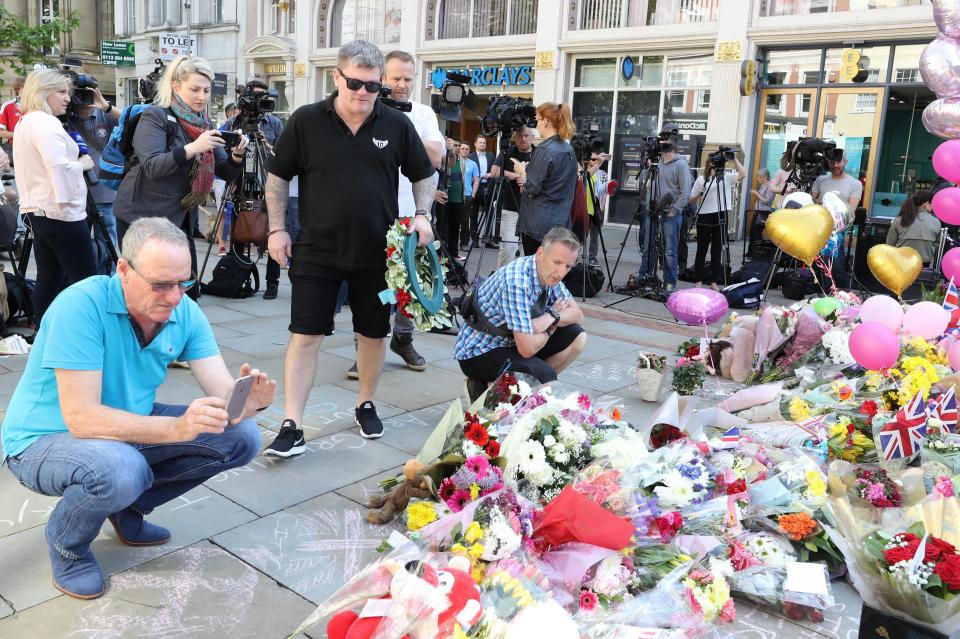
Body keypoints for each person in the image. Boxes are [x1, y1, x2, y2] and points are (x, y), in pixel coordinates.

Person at [1, 217, 273, 599]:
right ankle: (68, 545)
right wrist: (177, 429)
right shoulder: (80, 305)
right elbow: (82, 417)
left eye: (184, 282)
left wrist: (250, 403)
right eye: (161, 284)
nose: (175, 297)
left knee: (242, 437)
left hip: (124, 430)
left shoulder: (183, 310)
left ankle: (127, 507)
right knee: (119, 468)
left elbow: (225, 396)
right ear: (124, 270)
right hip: (41, 439)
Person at [263, 40, 436, 454]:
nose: (364, 92)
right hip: (317, 251)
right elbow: (278, 177)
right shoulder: (306, 121)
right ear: (337, 77)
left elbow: (424, 174)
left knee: (373, 335)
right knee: (305, 336)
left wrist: (424, 214)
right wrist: (276, 229)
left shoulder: (395, 125)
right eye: (355, 83)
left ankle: (366, 403)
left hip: (378, 255)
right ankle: (292, 424)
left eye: (374, 86)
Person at [342, 49, 444, 376]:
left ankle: (403, 338)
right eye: (396, 78)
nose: (402, 85)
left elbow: (436, 157)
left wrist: (399, 126)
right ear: (382, 78)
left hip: (413, 214)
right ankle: (366, 348)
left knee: (411, 286)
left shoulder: (423, 112)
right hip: (372, 215)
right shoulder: (366, 107)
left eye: (408, 79)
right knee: (373, 288)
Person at [113, 55, 247, 301]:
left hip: (178, 216)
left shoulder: (204, 123)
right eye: (194, 89)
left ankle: (176, 337)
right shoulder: (156, 116)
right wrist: (194, 147)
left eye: (206, 90)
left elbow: (224, 171)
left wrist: (237, 156)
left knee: (188, 290)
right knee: (147, 290)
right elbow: (152, 165)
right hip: (142, 214)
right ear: (176, 87)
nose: (202, 96)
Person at [455, 226, 587, 402]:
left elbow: (577, 314)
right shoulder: (517, 282)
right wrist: (550, 329)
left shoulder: (547, 273)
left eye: (568, 266)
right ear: (540, 253)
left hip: (512, 342)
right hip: (480, 352)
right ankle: (492, 390)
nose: (561, 273)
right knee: (545, 377)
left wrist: (550, 317)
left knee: (578, 337)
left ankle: (510, 392)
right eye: (557, 262)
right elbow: (527, 349)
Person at [12, 68, 99, 322]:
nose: (68, 98)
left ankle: (45, 334)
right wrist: (82, 165)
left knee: (49, 277)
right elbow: (58, 169)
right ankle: (84, 335)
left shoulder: (26, 121)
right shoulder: (46, 123)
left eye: (68, 92)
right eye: (61, 92)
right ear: (42, 92)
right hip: (59, 212)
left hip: (40, 210)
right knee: (88, 281)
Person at [223, 79, 290, 300]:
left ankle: (272, 283)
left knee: (272, 232)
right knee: (238, 233)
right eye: (256, 96)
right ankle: (236, 276)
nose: (261, 101)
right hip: (239, 183)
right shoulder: (234, 122)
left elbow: (282, 157)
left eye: (264, 96)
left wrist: (265, 145)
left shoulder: (274, 124)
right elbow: (221, 148)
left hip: (266, 185)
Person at [513, 102, 577, 256]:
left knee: (537, 271)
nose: (537, 125)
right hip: (560, 223)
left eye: (537, 120)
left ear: (546, 121)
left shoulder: (545, 149)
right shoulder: (567, 148)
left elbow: (532, 187)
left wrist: (522, 171)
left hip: (538, 226)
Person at [66, 86, 121, 252]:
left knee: (108, 243)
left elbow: (133, 120)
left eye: (88, 93)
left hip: (105, 193)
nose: (85, 98)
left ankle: (106, 275)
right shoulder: (65, 117)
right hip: (75, 194)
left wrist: (106, 106)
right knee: (78, 245)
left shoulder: (104, 114)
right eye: (79, 93)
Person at [638, 126, 691, 292]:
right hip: (651, 210)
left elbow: (686, 191)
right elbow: (647, 184)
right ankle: (644, 276)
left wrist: (674, 210)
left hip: (671, 214)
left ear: (672, 145)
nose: (661, 146)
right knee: (647, 246)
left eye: (664, 144)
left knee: (669, 250)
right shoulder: (657, 163)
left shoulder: (681, 165)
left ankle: (669, 282)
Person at [689, 156, 746, 290]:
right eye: (715, 165)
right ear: (710, 165)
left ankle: (713, 282)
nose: (719, 167)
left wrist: (734, 159)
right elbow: (690, 200)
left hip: (721, 215)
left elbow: (743, 174)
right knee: (701, 250)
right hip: (704, 216)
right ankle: (698, 281)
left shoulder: (726, 177)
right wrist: (699, 194)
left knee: (716, 250)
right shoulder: (701, 179)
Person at [492, 127, 534, 267]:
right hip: (510, 207)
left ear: (532, 137)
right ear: (515, 137)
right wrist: (515, 175)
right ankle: (501, 281)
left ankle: (524, 283)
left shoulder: (539, 154)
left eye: (527, 135)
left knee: (529, 251)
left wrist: (526, 178)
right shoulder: (507, 151)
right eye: (520, 136)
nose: (523, 139)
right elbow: (494, 172)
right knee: (509, 248)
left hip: (532, 209)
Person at [887, 190, 940, 265]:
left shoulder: (899, 220)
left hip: (900, 263)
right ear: (926, 203)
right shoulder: (936, 222)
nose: (933, 206)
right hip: (925, 265)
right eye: (932, 203)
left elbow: (890, 244)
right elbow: (936, 245)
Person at [469, 134, 497, 247]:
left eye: (484, 143)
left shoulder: (491, 156)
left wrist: (490, 175)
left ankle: (488, 239)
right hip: (475, 188)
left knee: (489, 214)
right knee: (474, 214)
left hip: (488, 187)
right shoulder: (471, 157)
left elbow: (495, 170)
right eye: (480, 142)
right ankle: (474, 239)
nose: (482, 144)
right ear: (475, 144)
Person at [586, 151, 610, 265]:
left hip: (596, 208)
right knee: (580, 235)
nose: (595, 161)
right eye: (593, 159)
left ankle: (592, 256)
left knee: (594, 235)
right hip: (585, 208)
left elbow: (605, 191)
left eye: (597, 159)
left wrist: (602, 206)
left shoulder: (603, 174)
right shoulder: (585, 172)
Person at [456, 142, 481, 252]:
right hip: (455, 194)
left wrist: (473, 194)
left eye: (467, 149)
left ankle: (464, 242)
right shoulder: (454, 161)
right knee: (453, 220)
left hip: (467, 195)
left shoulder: (473, 164)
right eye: (463, 148)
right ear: (459, 149)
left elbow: (476, 180)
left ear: (469, 151)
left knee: (465, 221)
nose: (465, 150)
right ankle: (449, 241)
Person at [0, 76, 25, 156]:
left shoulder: (37, 106)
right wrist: (23, 135)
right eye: (26, 87)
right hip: (15, 147)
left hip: (36, 146)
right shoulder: (7, 106)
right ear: (18, 89)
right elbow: (1, 133)